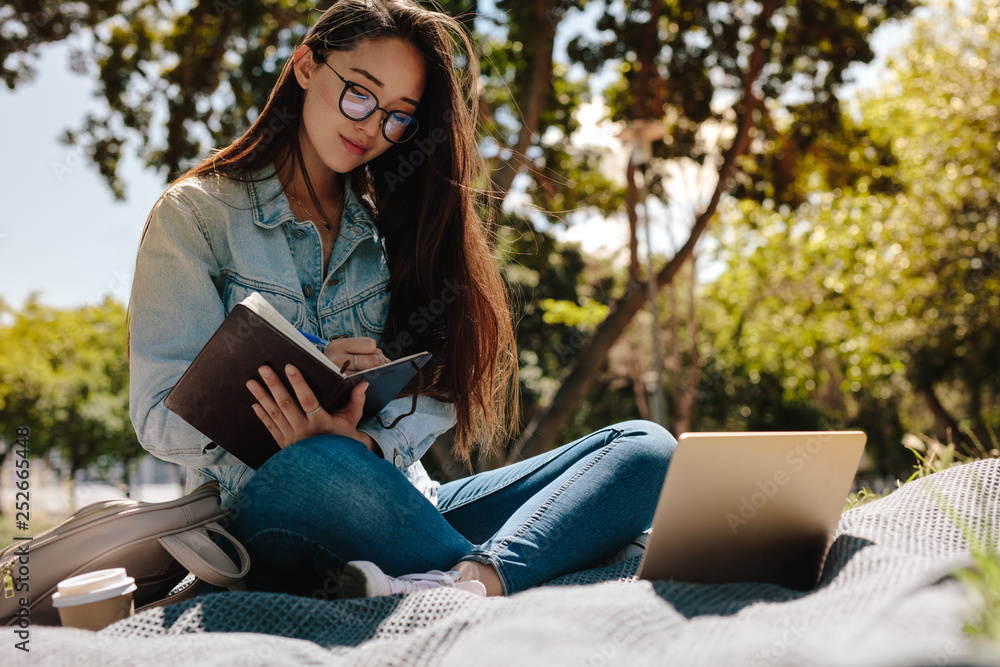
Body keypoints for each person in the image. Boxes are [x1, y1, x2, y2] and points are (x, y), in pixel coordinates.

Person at [128, 0, 675, 599]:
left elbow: (431, 392)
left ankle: (474, 580)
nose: (371, 127)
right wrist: (286, 427)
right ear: (307, 66)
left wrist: (364, 439)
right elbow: (156, 412)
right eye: (360, 94)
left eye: (398, 118)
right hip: (279, 501)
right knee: (318, 466)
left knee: (647, 449)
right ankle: (537, 566)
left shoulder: (393, 230)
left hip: (410, 501)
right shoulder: (195, 216)